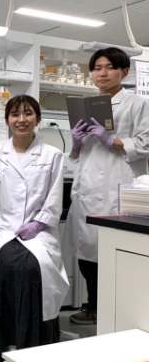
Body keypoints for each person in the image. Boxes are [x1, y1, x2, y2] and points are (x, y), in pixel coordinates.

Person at [0, 95, 69, 357]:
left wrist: (38, 224)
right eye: (15, 114)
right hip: (1, 227)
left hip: (39, 229)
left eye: (28, 114)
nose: (22, 120)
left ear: (38, 119)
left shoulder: (52, 155)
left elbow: (54, 197)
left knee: (34, 267)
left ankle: (35, 341)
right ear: (7, 120)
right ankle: (4, 340)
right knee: (5, 264)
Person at [65, 47, 149, 325]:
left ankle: (116, 310)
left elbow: (146, 143)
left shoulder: (138, 104)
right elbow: (80, 155)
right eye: (97, 68)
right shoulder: (86, 106)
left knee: (114, 253)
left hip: (117, 188)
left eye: (109, 67)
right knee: (86, 254)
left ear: (124, 72)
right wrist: (76, 144)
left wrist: (112, 141)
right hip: (87, 189)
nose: (102, 73)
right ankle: (94, 306)